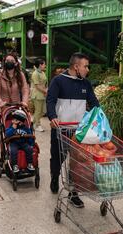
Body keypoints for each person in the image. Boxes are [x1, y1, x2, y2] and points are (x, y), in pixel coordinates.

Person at [46, 52, 99, 208]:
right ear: (76, 67)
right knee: (57, 158)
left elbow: (94, 102)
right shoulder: (58, 81)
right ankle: (54, 177)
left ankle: (73, 193)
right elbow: (50, 100)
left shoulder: (86, 84)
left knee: (77, 162)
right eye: (85, 66)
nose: (87, 69)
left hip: (79, 131)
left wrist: (100, 116)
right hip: (60, 128)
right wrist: (52, 116)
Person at [31, 58, 48, 132]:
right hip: (37, 95)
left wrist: (46, 90)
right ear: (40, 65)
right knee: (38, 111)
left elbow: (45, 83)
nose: (45, 65)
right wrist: (45, 91)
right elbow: (37, 85)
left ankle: (33, 122)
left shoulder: (43, 72)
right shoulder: (35, 74)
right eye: (44, 64)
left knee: (43, 111)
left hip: (43, 94)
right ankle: (37, 125)